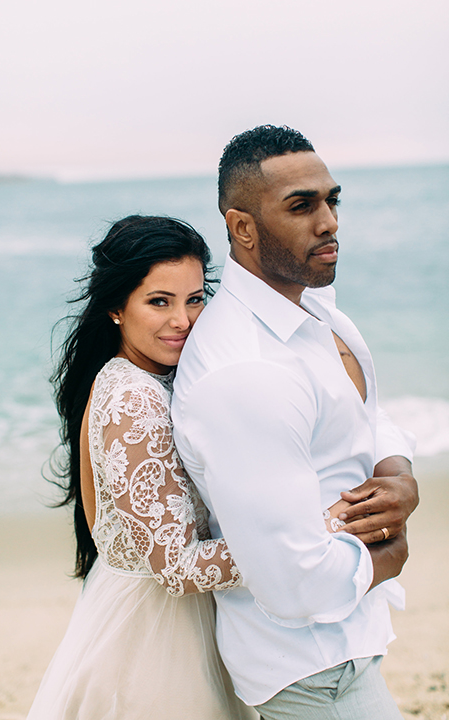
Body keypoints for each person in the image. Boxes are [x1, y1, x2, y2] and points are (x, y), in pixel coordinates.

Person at [171, 126, 419, 720]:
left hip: (346, 648)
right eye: (301, 206)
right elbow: (293, 582)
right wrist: (389, 557)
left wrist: (398, 473)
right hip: (310, 669)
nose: (329, 221)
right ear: (243, 228)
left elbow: (361, 414)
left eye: (332, 200)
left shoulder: (309, 304)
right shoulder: (243, 370)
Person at [27, 215, 257, 719]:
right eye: (160, 301)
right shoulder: (135, 399)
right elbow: (176, 565)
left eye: (195, 298)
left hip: (132, 612)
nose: (184, 320)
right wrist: (302, 538)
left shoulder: (129, 377)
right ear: (116, 307)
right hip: (155, 641)